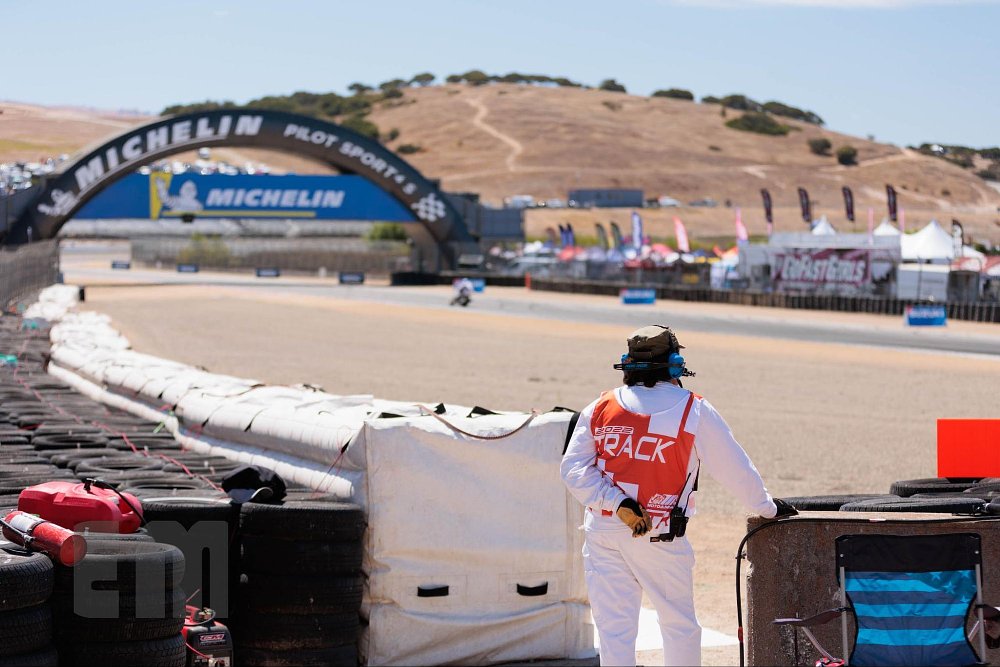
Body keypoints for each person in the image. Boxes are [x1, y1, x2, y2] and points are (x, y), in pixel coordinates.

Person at [561, 325, 796, 666]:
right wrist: (766, 508)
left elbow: (573, 470)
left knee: (613, 630)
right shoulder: (693, 410)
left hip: (604, 531)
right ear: (675, 363)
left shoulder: (600, 407)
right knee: (678, 626)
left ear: (627, 363)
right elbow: (735, 469)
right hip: (660, 537)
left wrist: (618, 504)